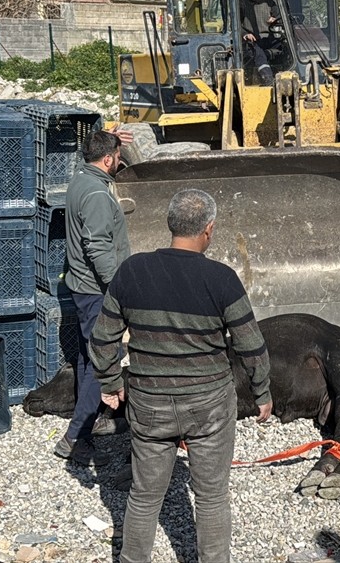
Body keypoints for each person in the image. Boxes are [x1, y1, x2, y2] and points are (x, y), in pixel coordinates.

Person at [90, 189, 273, 563]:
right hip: (209, 405)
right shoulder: (222, 278)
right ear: (209, 229)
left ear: (170, 224)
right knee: (211, 496)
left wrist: (110, 382)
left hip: (148, 402)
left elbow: (103, 336)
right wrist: (262, 391)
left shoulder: (131, 271)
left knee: (143, 496)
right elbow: (250, 344)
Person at [57, 130, 132, 466]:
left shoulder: (79, 180)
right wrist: (119, 287)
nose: (120, 161)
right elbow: (98, 246)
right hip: (96, 291)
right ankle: (75, 437)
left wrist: (109, 135)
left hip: (80, 286)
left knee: (90, 358)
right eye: (117, 156)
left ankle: (86, 424)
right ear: (108, 159)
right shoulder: (99, 195)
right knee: (101, 364)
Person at [240, 0, 284, 86]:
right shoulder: (242, 4)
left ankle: (287, 76)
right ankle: (268, 79)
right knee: (258, 52)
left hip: (269, 38)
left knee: (285, 46)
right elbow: (235, 25)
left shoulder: (270, 3)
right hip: (251, 40)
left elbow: (280, 15)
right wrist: (245, 34)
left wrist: (276, 18)